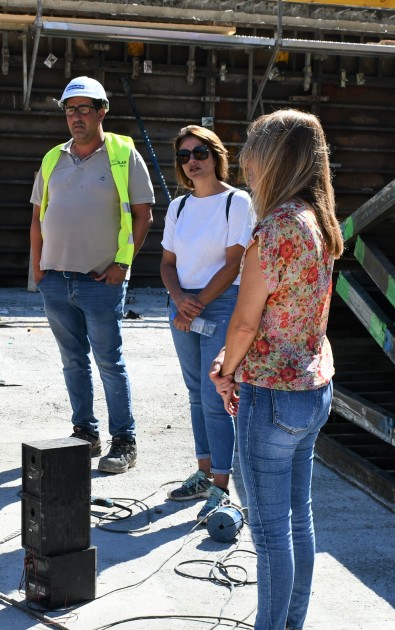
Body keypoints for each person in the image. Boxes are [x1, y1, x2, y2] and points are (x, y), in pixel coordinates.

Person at [209, 109, 343, 630]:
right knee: (298, 522)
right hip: (312, 388)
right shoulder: (318, 221)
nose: (243, 159)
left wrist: (225, 368)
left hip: (270, 394)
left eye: (251, 149)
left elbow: (244, 325)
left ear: (274, 158)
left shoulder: (274, 228)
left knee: (269, 536)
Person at [29, 76, 154, 474]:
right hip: (56, 279)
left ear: (102, 111)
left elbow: (143, 215)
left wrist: (123, 264)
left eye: (85, 108)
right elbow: (37, 218)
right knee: (72, 361)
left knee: (108, 361)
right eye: (70, 109)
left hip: (101, 280)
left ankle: (124, 439)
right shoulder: (51, 158)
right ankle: (85, 432)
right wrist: (38, 270)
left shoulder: (123, 153)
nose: (77, 117)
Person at [160, 126, 255, 521]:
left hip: (219, 304)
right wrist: (181, 301)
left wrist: (196, 303)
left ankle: (220, 484)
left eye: (199, 152)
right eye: (184, 156)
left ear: (216, 156)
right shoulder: (178, 207)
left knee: (219, 394)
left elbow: (234, 262)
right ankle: (203, 472)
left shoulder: (237, 202)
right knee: (196, 392)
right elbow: (166, 264)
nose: (192, 161)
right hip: (183, 305)